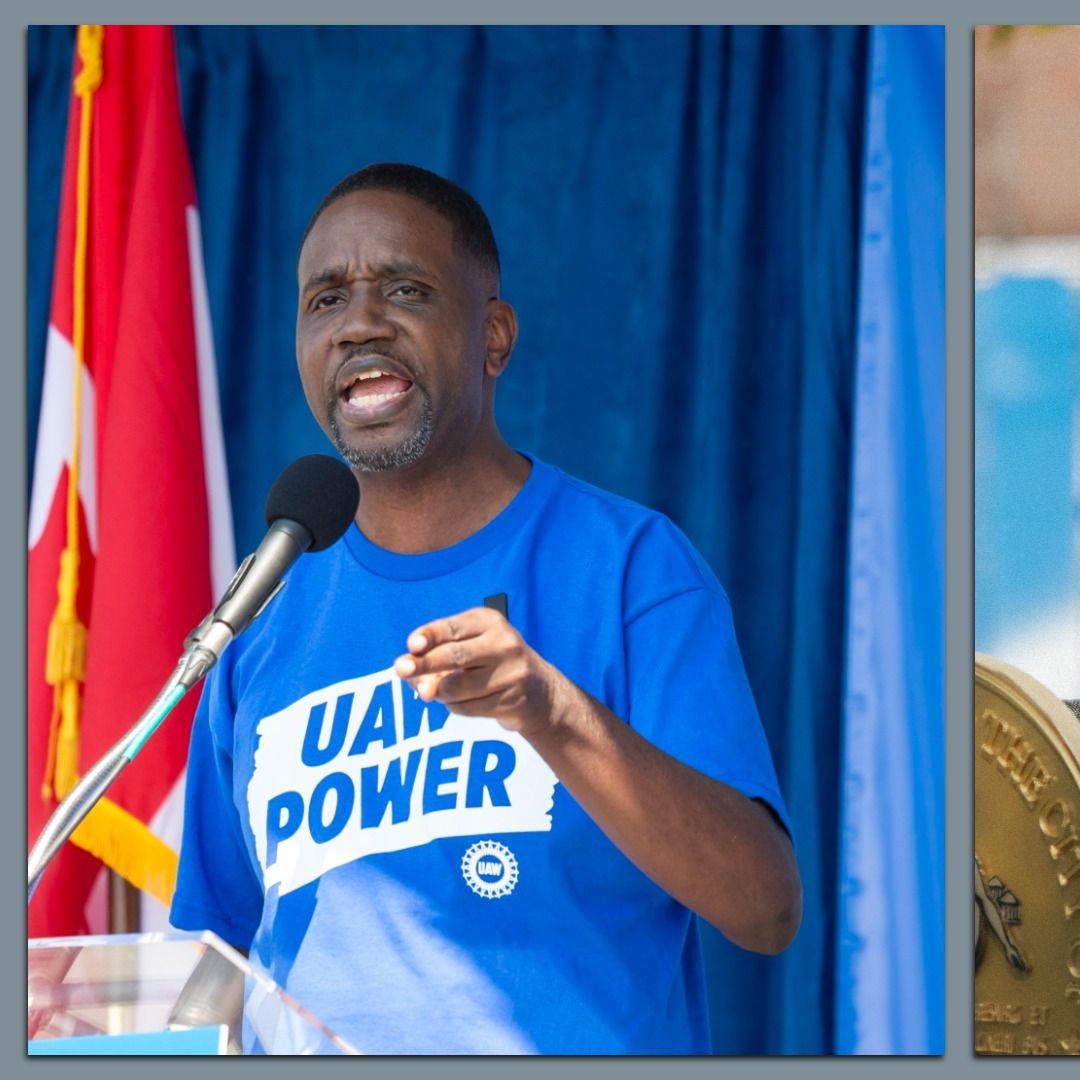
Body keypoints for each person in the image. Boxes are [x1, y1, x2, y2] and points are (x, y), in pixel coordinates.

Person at [169, 163, 802, 1054]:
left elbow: (764, 906)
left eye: (405, 288)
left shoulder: (631, 567)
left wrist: (550, 710)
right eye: (325, 301)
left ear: (493, 337)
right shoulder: (261, 609)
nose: (359, 323)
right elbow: (215, 950)